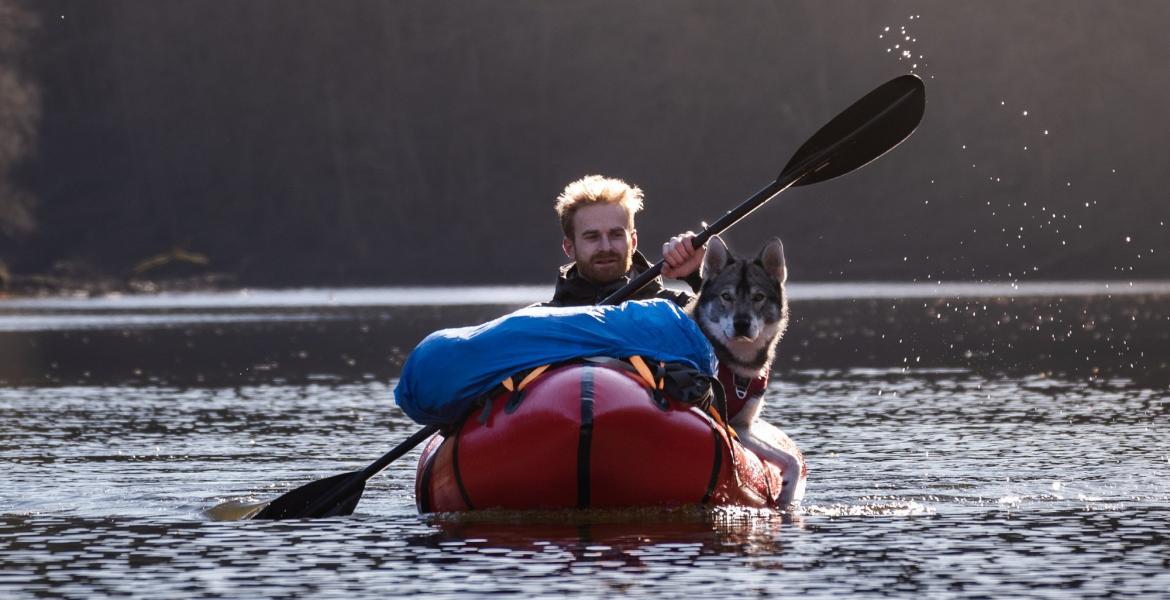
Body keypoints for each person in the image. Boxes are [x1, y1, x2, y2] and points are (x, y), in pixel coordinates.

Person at [547, 174, 706, 307]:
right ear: (569, 247)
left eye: (616, 235)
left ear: (633, 241)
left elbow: (729, 331)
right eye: (592, 237)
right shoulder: (542, 322)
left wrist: (699, 277)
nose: (606, 247)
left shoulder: (678, 309)